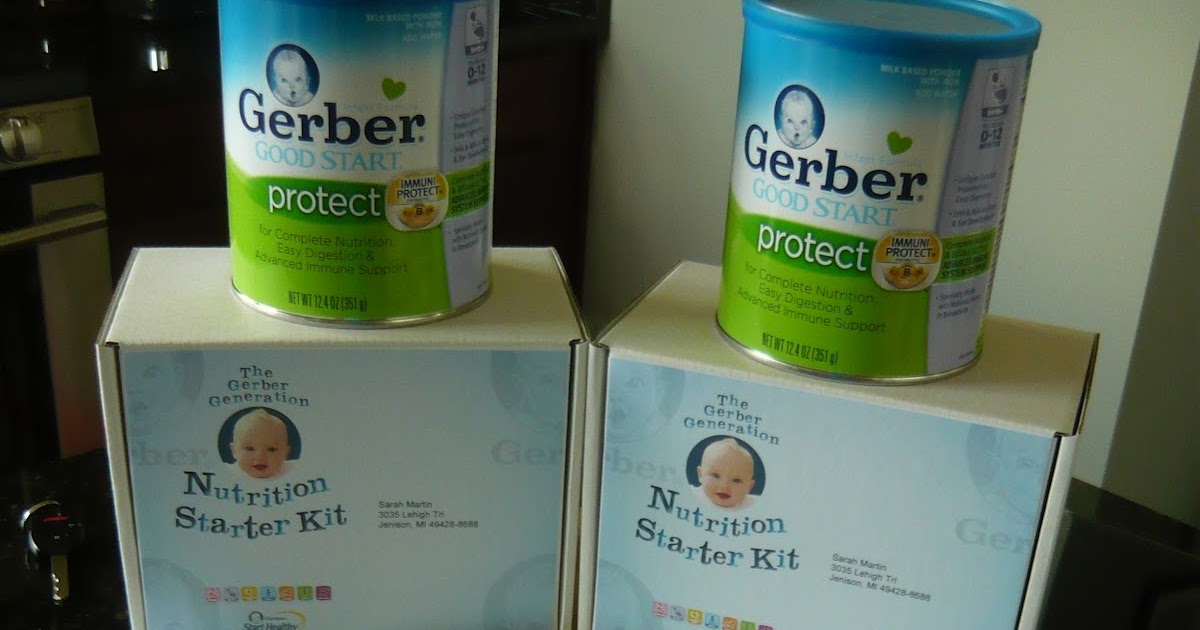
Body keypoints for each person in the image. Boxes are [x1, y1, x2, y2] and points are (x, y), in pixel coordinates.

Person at [694, 438, 757, 510]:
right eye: (715, 476)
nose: (724, 486)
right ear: (700, 475)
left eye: (736, 480)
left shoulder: (754, 506)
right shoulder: (691, 495)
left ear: (749, 487)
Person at [229, 408, 292, 479]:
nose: (260, 457)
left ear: (285, 453)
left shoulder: (292, 472)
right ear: (234, 451)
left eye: (271, 449)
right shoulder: (227, 474)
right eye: (250, 448)